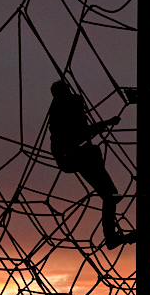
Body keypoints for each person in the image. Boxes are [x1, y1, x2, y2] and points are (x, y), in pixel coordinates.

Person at [47, 79, 128, 248]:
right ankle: (110, 236)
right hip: (74, 157)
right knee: (109, 193)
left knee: (110, 194)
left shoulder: (61, 108)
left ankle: (111, 235)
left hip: (73, 157)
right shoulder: (65, 109)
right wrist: (105, 123)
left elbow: (79, 133)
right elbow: (79, 134)